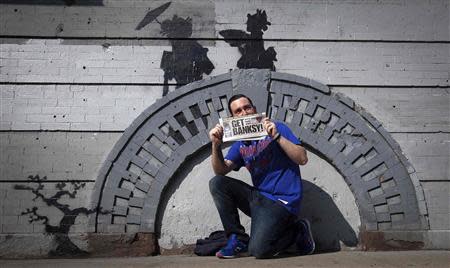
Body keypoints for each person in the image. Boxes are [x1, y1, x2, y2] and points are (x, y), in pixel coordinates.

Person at [208, 94, 315, 259]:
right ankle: (238, 239)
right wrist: (215, 145)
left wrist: (277, 137)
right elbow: (220, 171)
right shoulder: (240, 144)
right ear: (232, 118)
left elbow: (302, 158)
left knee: (259, 251)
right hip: (260, 199)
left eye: (247, 107)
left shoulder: (277, 128)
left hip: (283, 202)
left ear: (254, 110)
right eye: (238, 111)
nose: (244, 113)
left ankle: (297, 230)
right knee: (218, 183)